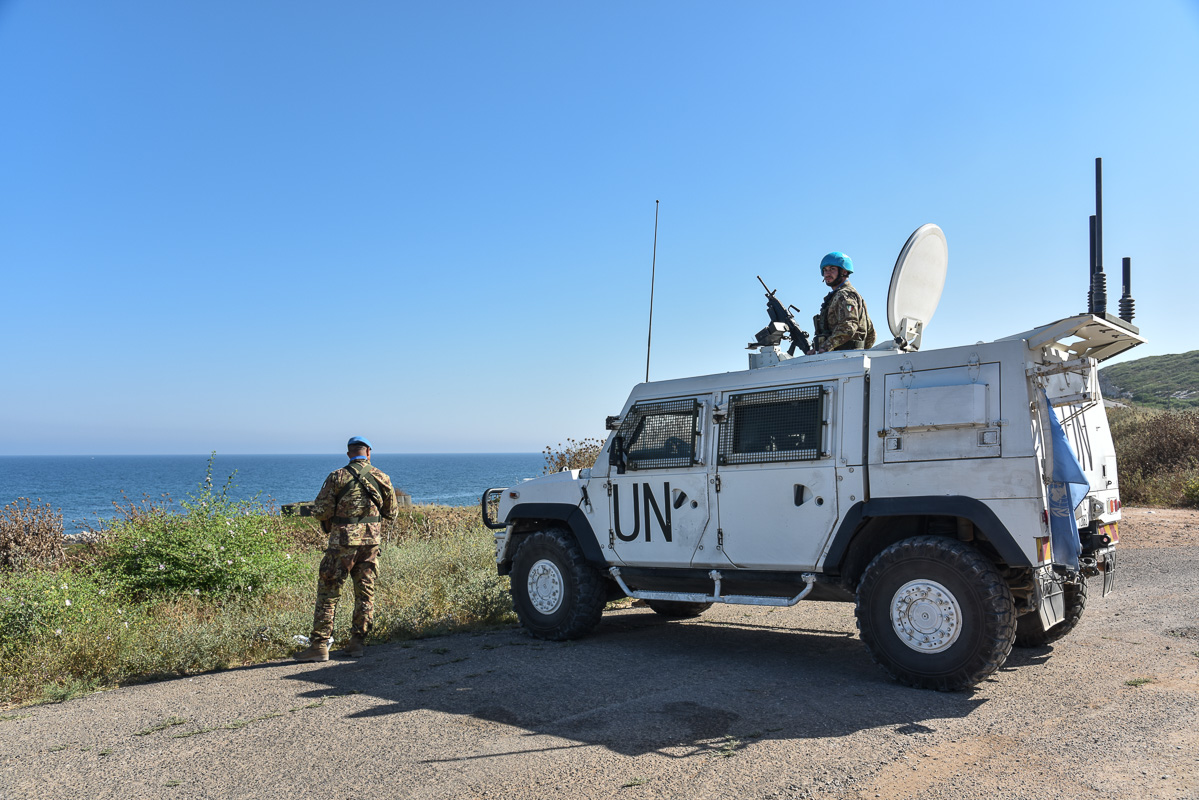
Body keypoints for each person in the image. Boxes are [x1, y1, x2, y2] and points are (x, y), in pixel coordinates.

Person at [294, 436, 399, 662]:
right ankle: (356, 644)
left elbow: (321, 511)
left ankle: (320, 646)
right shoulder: (382, 477)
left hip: (341, 545)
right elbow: (392, 513)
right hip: (370, 545)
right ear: (368, 452)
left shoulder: (337, 476)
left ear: (348, 453)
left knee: (328, 593)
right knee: (365, 594)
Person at [812, 251, 876, 353]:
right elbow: (871, 333)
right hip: (845, 356)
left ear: (844, 272)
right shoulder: (844, 295)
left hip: (842, 356)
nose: (827, 274)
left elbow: (849, 326)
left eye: (832, 269)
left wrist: (825, 347)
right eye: (825, 270)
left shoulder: (844, 295)